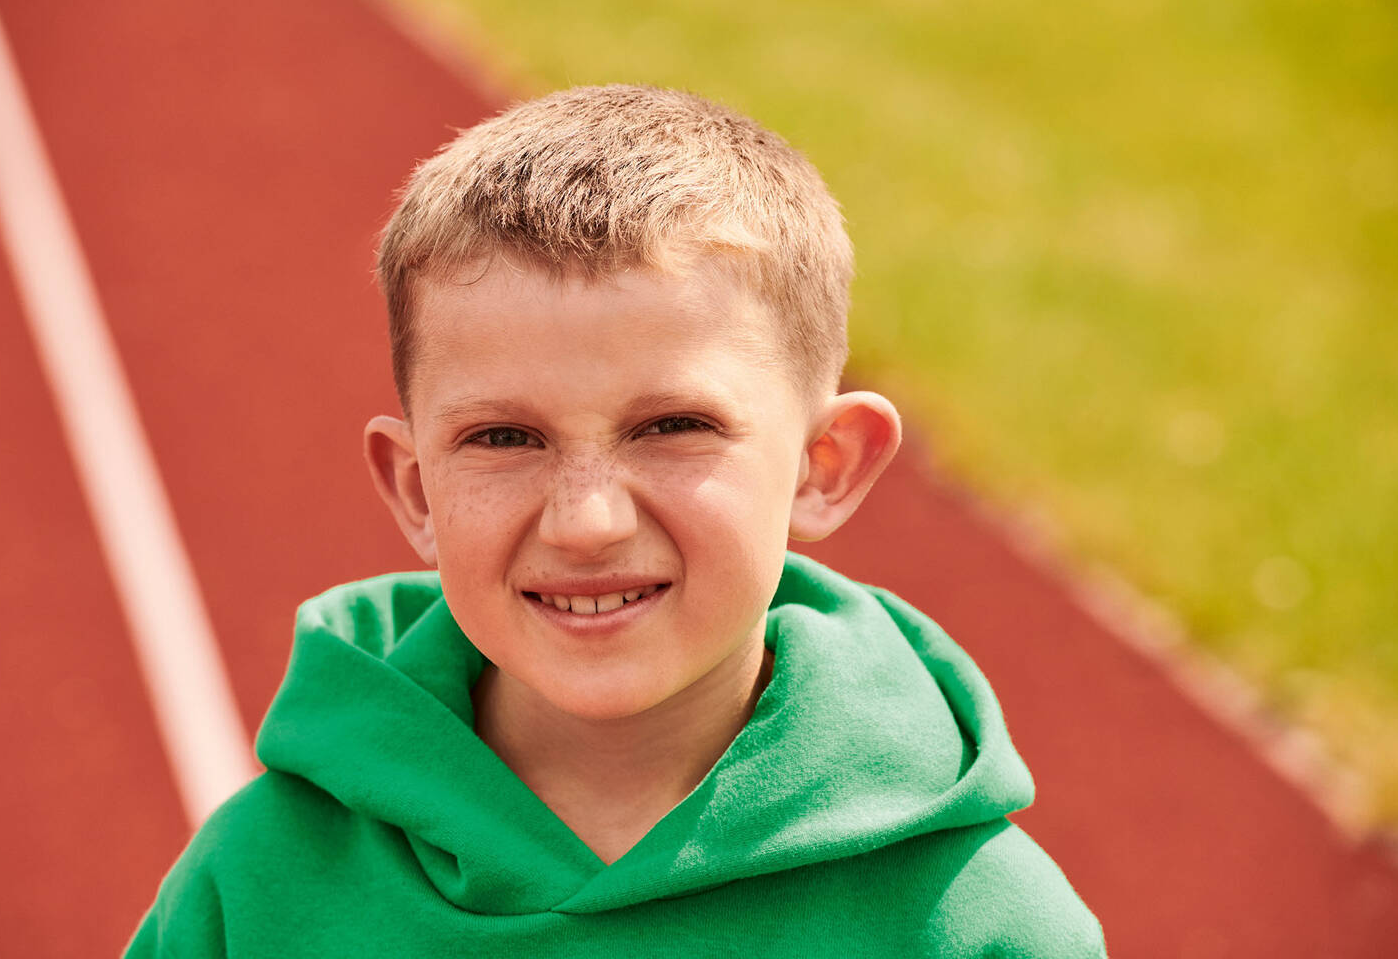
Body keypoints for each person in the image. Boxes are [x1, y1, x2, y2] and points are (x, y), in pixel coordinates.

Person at [125, 84, 1106, 956]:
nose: (588, 520)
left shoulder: (979, 924)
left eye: (673, 426)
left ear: (824, 465)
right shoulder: (257, 888)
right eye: (506, 438)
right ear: (417, 490)